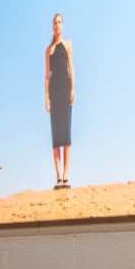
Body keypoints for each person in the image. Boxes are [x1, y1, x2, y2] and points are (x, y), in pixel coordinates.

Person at [43, 13, 75, 191]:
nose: (57, 25)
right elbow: (47, 76)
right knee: (56, 137)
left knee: (66, 135)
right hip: (54, 94)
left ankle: (66, 175)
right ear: (52, 26)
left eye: (60, 22)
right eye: (55, 23)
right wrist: (46, 98)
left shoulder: (68, 44)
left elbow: (72, 68)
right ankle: (58, 176)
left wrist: (73, 89)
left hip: (66, 91)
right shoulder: (48, 50)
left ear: (62, 25)